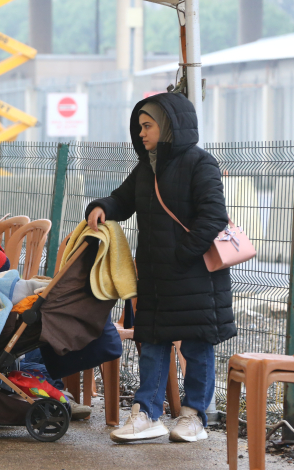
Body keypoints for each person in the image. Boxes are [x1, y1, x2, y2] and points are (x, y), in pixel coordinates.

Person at [86, 93, 235, 443]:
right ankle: (147, 413)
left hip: (195, 276)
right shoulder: (146, 167)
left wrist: (181, 255)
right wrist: (101, 206)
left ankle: (194, 415)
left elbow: (213, 216)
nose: (141, 133)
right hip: (155, 278)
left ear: (168, 125)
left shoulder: (201, 163)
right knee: (152, 342)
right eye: (139, 126)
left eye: (148, 125)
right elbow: (122, 200)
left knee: (197, 346)